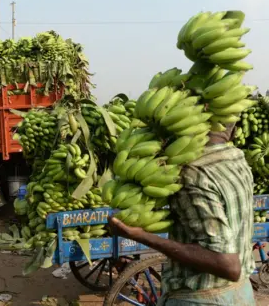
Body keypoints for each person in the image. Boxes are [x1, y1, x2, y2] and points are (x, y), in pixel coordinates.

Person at [108, 123, 256, 305]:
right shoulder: (237, 157)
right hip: (242, 293)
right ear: (233, 129)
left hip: (202, 299)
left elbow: (228, 265)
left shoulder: (192, 172)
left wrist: (141, 236)